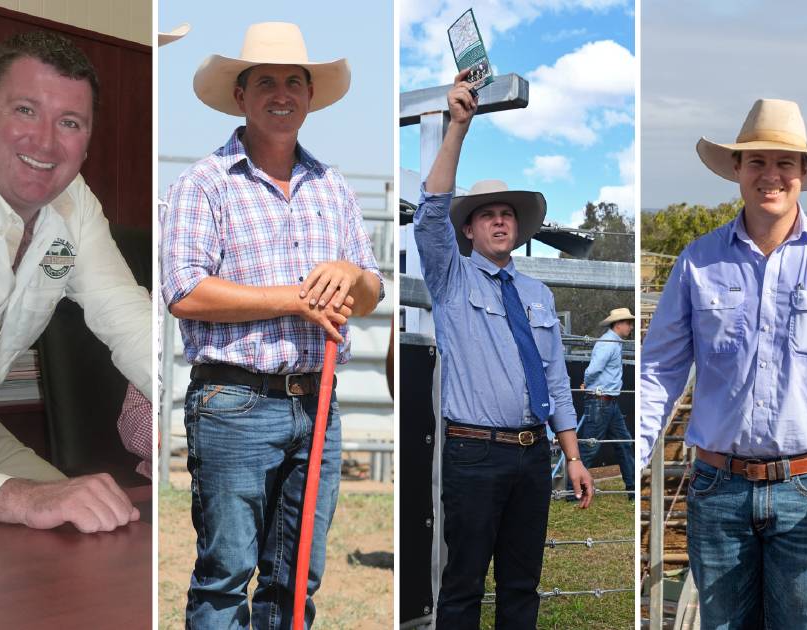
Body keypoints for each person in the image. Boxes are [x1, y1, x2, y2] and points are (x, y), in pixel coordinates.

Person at [161, 22, 383, 629]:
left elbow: (370, 287)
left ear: (310, 97)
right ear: (240, 96)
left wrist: (348, 274)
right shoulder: (203, 184)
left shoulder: (332, 187)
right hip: (234, 400)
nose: (281, 93)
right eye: (265, 82)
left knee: (297, 578)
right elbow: (184, 291)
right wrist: (295, 299)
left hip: (317, 403)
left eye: (293, 82)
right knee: (225, 576)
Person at [639, 98, 807, 628]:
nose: (770, 176)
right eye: (757, 163)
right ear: (738, 172)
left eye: (784, 164)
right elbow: (660, 369)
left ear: (804, 174)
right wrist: (633, 449)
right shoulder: (697, 261)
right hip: (718, 487)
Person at [0, 31, 149, 531]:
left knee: (98, 537)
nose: (45, 142)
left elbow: (128, 320)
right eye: (25, 110)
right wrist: (27, 502)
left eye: (69, 122)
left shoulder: (72, 202)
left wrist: (200, 418)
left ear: (87, 140)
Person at [413, 71, 593, 629]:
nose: (498, 219)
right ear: (467, 230)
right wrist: (458, 129)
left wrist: (573, 453)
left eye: (506, 213)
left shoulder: (537, 294)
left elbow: (556, 379)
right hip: (474, 452)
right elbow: (429, 211)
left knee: (523, 583)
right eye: (487, 213)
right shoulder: (451, 278)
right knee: (463, 582)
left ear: (517, 228)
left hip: (532, 453)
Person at [567, 307, 635, 499]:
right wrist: (587, 382)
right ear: (618, 324)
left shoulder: (614, 343)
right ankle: (574, 492)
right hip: (600, 401)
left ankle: (632, 489)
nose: (630, 326)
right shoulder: (607, 344)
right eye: (628, 323)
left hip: (609, 402)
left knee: (623, 443)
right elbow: (594, 368)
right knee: (590, 447)